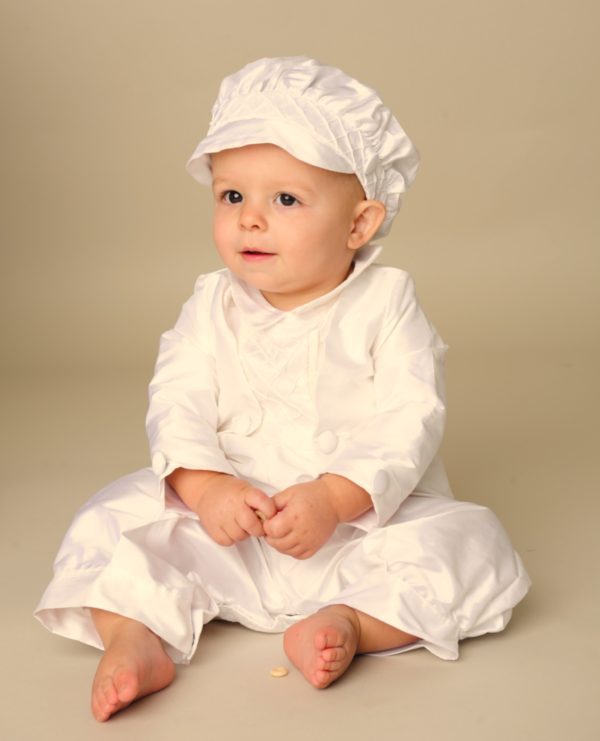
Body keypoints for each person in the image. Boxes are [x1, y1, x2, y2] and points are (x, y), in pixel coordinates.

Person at [35, 57, 531, 722]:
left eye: (286, 200)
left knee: (472, 540)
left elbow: (410, 416)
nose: (250, 220)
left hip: (355, 532)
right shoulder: (211, 302)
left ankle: (351, 620)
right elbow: (177, 399)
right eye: (231, 196)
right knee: (108, 520)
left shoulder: (387, 303)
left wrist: (334, 496)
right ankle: (136, 635)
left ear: (358, 224)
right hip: (227, 530)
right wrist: (206, 487)